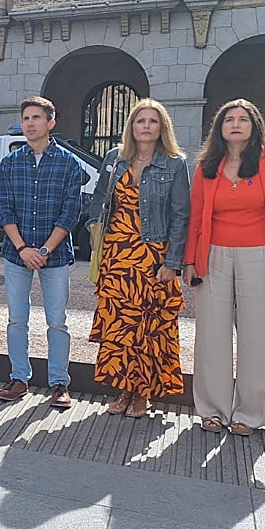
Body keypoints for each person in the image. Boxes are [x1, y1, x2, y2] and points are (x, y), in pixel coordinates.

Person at [184, 98, 265, 436]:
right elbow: (196, 218)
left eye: (243, 119)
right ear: (219, 129)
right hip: (213, 256)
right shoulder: (207, 166)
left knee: (258, 336)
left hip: (263, 255)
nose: (235, 124)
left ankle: (250, 414)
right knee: (211, 334)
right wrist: (190, 260)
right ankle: (212, 410)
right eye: (228, 119)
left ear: (254, 125)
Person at [89, 99, 191, 418]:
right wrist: (95, 229)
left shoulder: (174, 163)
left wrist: (172, 262)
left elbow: (180, 214)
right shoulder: (115, 158)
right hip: (117, 256)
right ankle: (123, 389)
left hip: (152, 256)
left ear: (162, 128)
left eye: (152, 121)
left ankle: (142, 395)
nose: (146, 126)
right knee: (120, 328)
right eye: (139, 121)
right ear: (131, 126)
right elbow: (100, 198)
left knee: (149, 328)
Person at [0, 96, 82, 407]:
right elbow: (3, 209)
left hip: (54, 256)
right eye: (26, 118)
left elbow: (71, 212)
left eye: (36, 118)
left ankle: (59, 383)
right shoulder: (10, 163)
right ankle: (19, 378)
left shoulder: (68, 163)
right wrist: (22, 248)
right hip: (17, 254)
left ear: (50, 123)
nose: (29, 123)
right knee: (17, 319)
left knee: (57, 321)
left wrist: (44, 249)